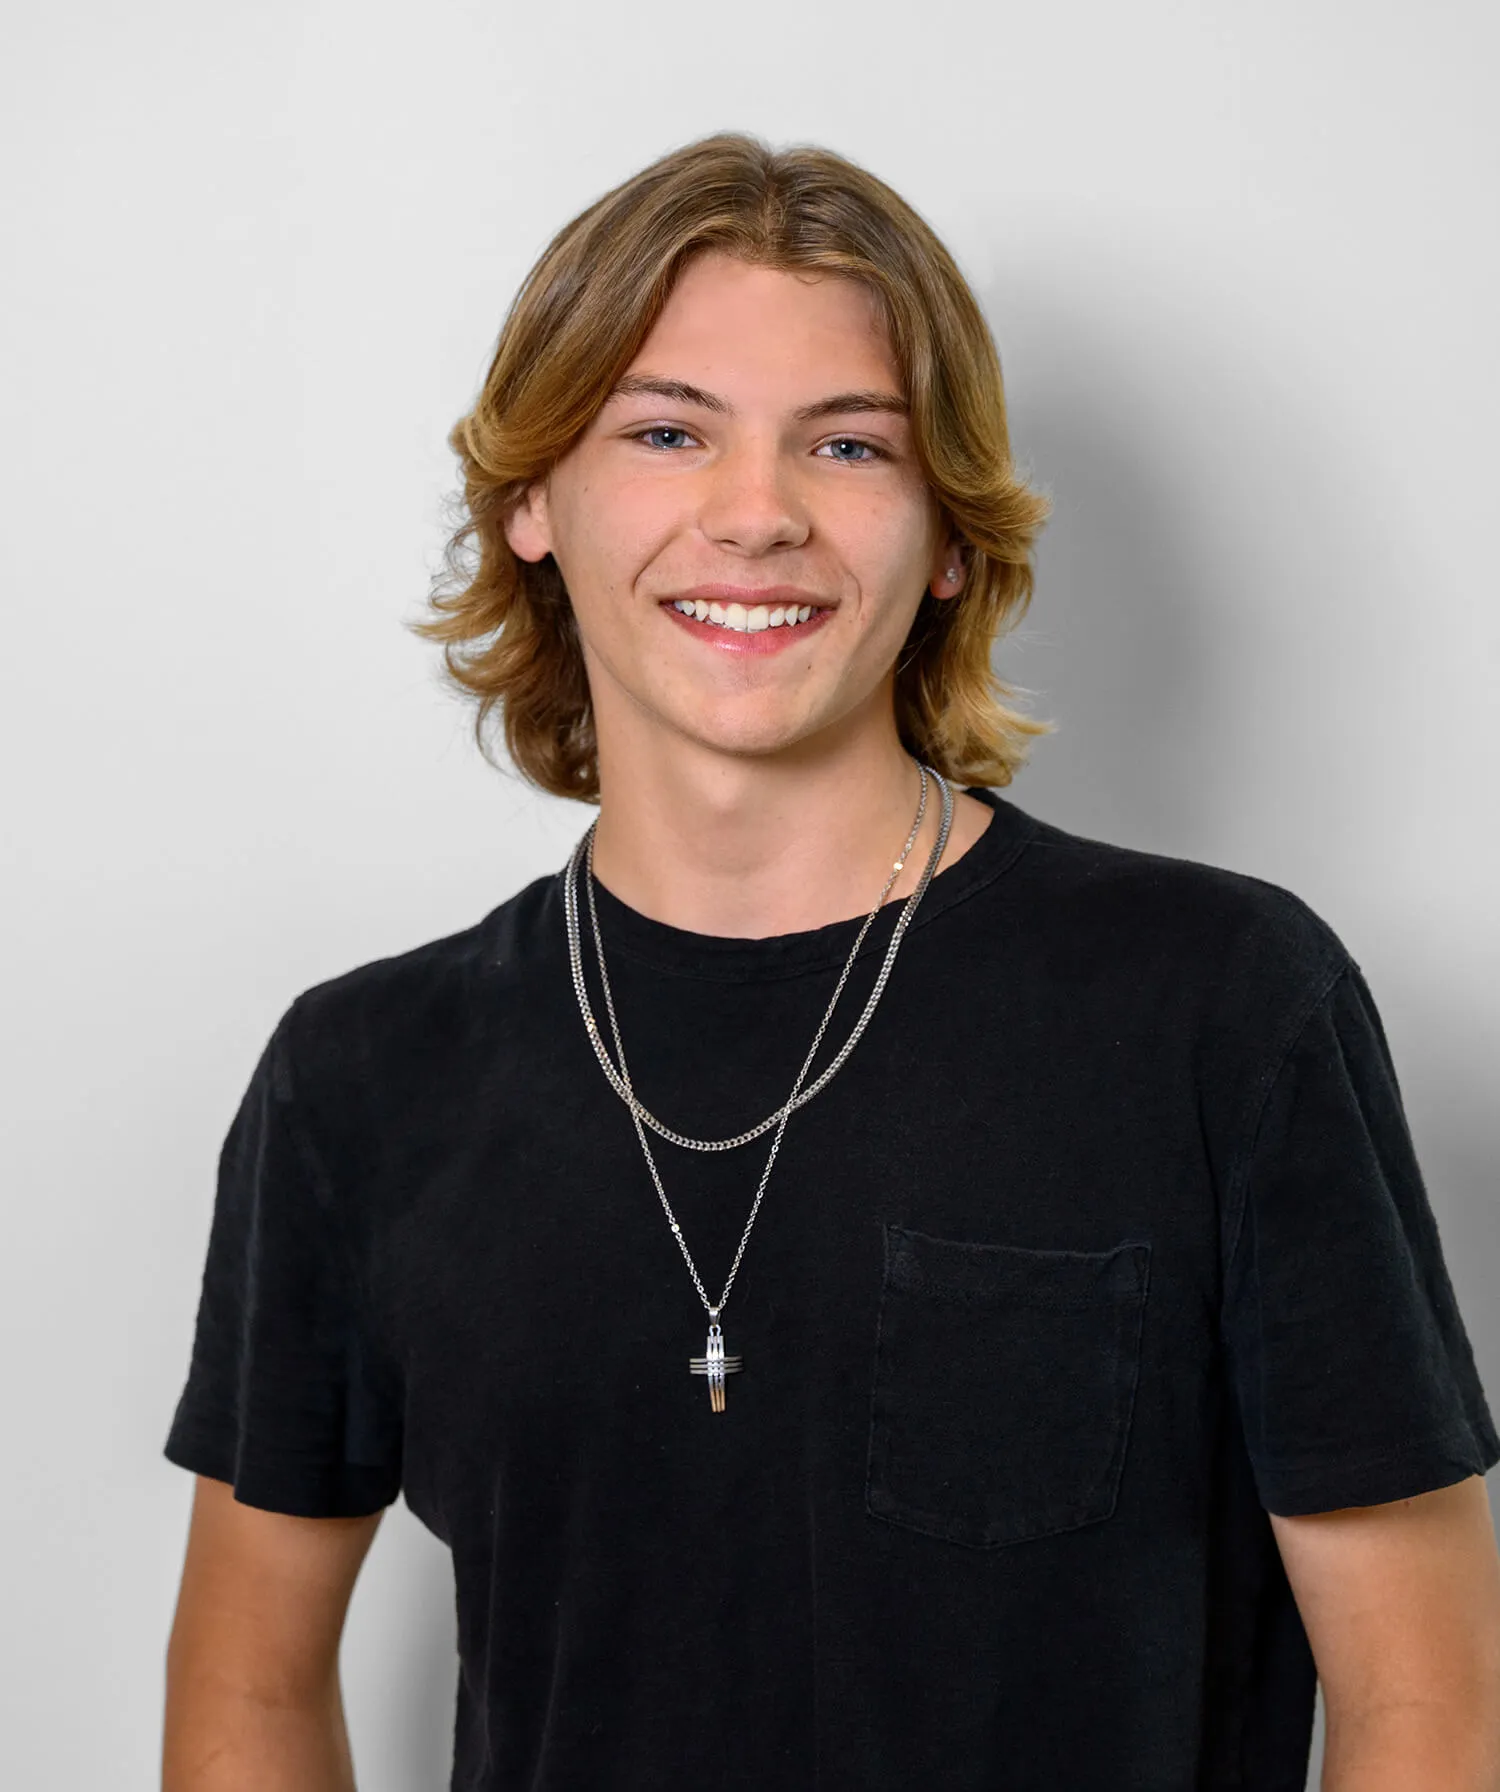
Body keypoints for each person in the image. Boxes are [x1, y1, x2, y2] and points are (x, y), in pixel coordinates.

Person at [160, 132, 1500, 1790]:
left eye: (848, 446)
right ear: (530, 503)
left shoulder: (1222, 1005)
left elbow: (1425, 1704)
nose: (756, 516)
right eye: (665, 432)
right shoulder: (363, 1075)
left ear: (948, 533)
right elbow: (248, 1690)